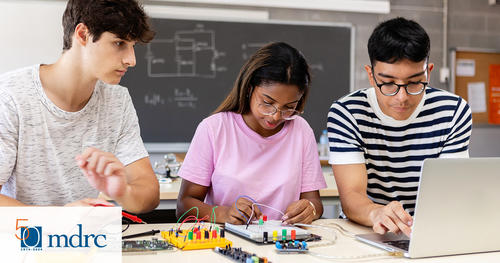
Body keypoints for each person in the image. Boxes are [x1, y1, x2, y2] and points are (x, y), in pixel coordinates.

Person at [0, 0, 159, 213]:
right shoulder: (10, 95)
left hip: (84, 240)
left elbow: (149, 195)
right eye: (119, 43)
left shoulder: (117, 101)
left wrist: (123, 192)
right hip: (24, 241)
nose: (131, 60)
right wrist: (60, 219)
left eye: (133, 47)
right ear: (82, 34)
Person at [327, 17, 472, 236]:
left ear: (428, 72)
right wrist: (376, 213)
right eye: (387, 83)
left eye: (414, 82)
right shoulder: (347, 113)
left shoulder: (453, 111)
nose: (402, 97)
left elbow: (448, 192)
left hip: (426, 231)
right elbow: (351, 196)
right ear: (371, 75)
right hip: (366, 230)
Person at [176, 42, 327, 225]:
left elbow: (315, 202)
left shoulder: (301, 131)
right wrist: (223, 214)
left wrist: (309, 209)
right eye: (267, 102)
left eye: (289, 107)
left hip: (283, 243)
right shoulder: (214, 128)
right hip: (226, 244)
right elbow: (184, 206)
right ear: (249, 88)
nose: (276, 115)